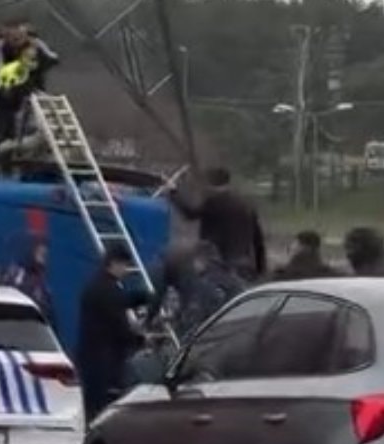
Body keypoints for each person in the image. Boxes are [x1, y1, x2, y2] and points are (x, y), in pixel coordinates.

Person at [74, 243, 149, 424]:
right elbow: (119, 328)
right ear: (114, 263)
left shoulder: (97, 284)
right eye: (124, 265)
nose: (126, 270)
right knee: (104, 411)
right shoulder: (109, 290)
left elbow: (120, 301)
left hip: (89, 358)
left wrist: (141, 297)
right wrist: (142, 340)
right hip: (104, 362)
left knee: (91, 408)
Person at [167, 167, 267, 282]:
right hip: (244, 264)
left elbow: (190, 213)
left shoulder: (214, 202)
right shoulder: (247, 204)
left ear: (211, 184)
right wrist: (260, 269)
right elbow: (258, 240)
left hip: (220, 264)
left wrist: (174, 193)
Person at [147, 241, 246, 340]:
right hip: (232, 307)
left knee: (195, 312)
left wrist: (149, 318)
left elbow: (158, 293)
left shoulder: (175, 265)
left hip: (195, 279)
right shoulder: (211, 270)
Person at [5, 239, 54, 324]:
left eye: (44, 255)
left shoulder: (42, 281)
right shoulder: (18, 274)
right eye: (40, 253)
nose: (43, 257)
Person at [273, 230, 340, 281]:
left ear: (302, 247)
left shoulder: (283, 276)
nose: (290, 248)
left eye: (294, 245)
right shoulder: (332, 275)